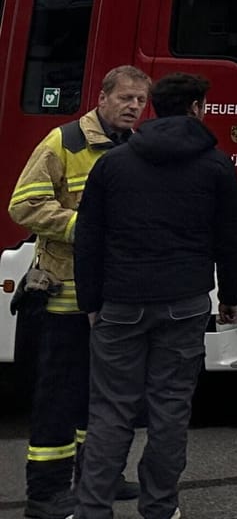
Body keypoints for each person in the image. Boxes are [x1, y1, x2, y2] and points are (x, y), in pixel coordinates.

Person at [72, 72, 237, 519]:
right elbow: (230, 238)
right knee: (169, 408)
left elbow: (89, 238)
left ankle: (93, 509)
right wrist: (231, 294)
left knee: (110, 410)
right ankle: (160, 506)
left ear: (153, 107)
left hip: (120, 302)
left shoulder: (114, 164)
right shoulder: (216, 165)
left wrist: (90, 302)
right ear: (195, 108)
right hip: (185, 301)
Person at [9, 66, 150, 519]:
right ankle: (46, 493)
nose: (133, 107)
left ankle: (98, 478)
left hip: (110, 297)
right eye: (125, 98)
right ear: (103, 97)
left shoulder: (136, 148)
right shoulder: (64, 142)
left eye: (140, 101)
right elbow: (24, 204)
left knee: (104, 395)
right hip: (63, 296)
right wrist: (84, 228)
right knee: (59, 395)